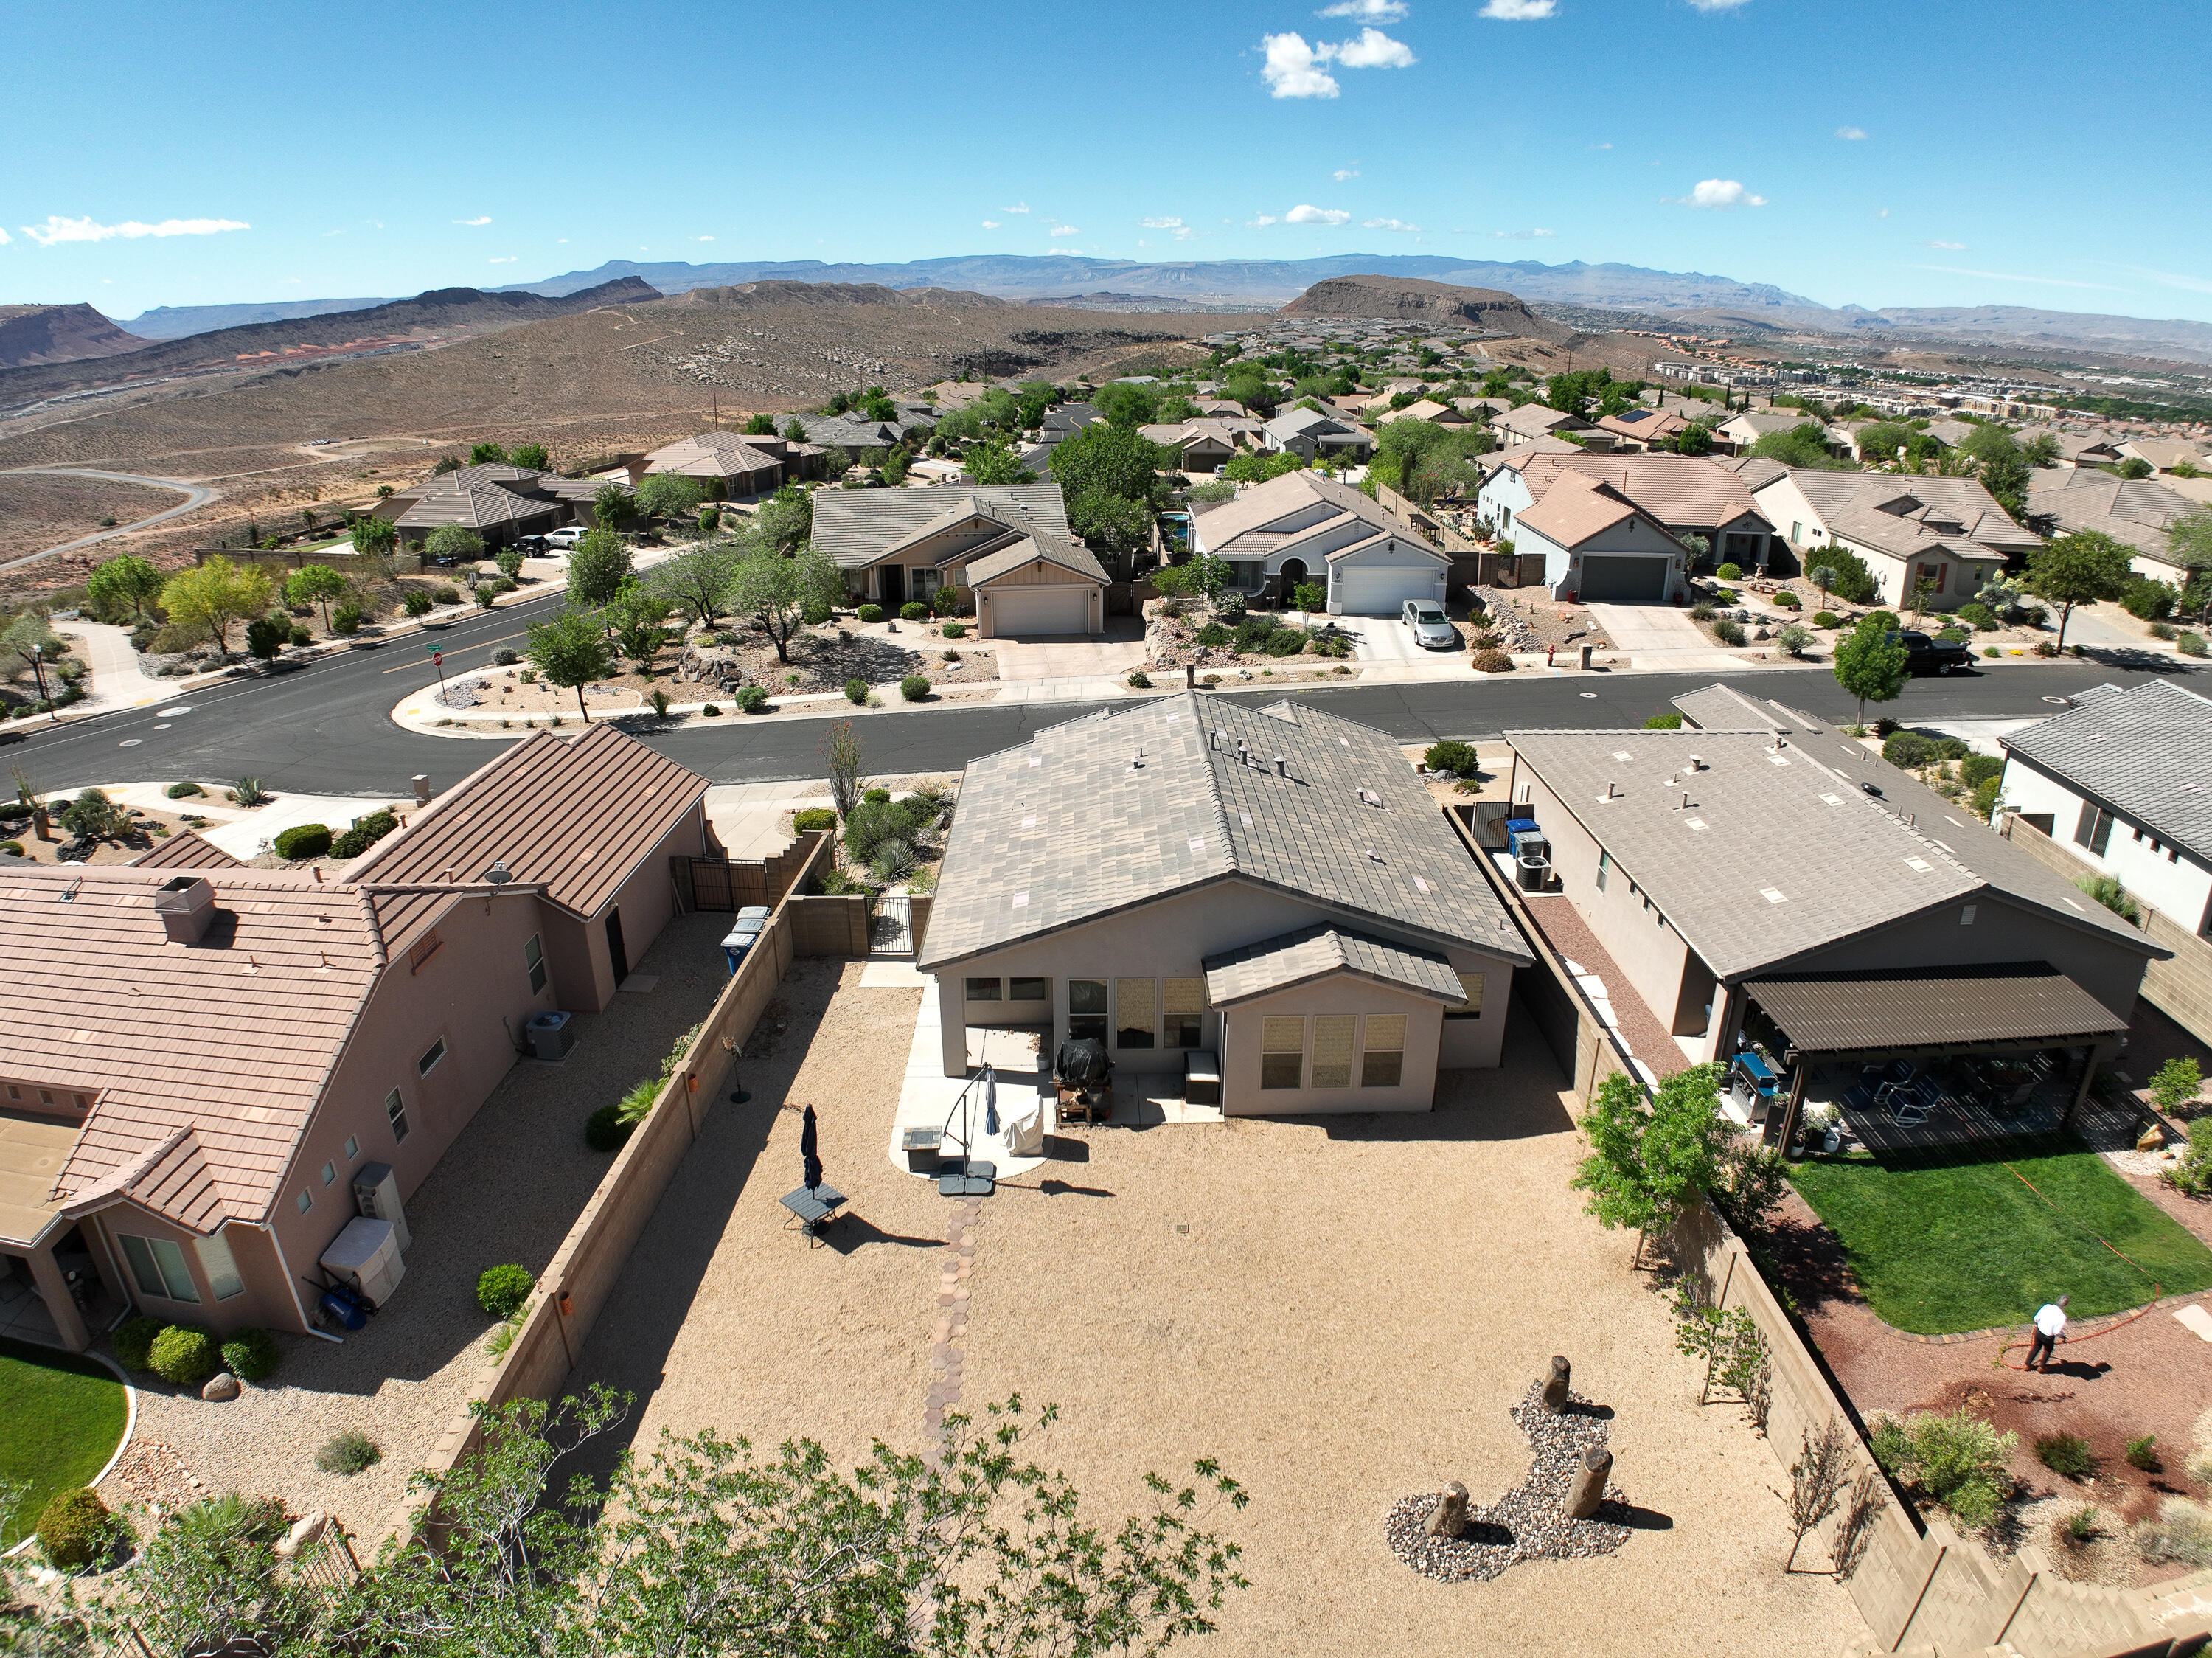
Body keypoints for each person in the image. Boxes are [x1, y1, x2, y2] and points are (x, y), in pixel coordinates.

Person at [2027, 1294, 2069, 1371]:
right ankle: (2042, 1367)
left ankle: (2027, 1364)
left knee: (2036, 1347)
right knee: (2048, 1350)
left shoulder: (2047, 1307)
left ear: (2057, 1300)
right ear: (2065, 1305)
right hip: (2048, 1337)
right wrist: (2063, 1336)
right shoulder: (2062, 1317)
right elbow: (2057, 1332)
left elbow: (2036, 1318)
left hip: (2039, 1332)